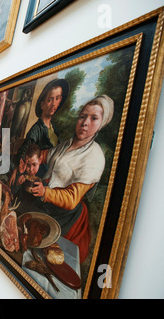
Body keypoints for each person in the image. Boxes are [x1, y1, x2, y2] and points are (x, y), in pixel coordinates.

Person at [31, 95, 114, 263]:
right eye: (83, 116)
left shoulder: (95, 156)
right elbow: (48, 156)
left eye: (93, 118)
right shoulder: (67, 144)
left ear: (102, 123)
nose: (85, 122)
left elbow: (71, 199)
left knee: (49, 259)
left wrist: (44, 192)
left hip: (66, 217)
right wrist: (34, 158)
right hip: (45, 203)